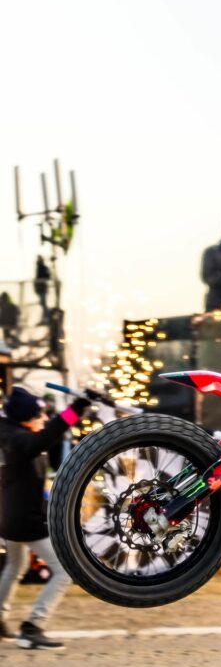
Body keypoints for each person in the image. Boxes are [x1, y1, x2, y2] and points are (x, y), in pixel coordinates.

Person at [0, 386, 91, 647]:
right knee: (64, 570)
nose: (44, 418)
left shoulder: (15, 433)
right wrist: (75, 409)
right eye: (39, 415)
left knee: (15, 566)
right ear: (24, 418)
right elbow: (46, 436)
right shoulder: (18, 441)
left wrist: (78, 411)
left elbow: (48, 435)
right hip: (24, 519)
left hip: (12, 516)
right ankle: (33, 627)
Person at [33, 256, 51, 324]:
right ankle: (45, 317)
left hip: (42, 288)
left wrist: (40, 280)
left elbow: (48, 276)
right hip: (40, 288)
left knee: (43, 303)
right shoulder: (39, 267)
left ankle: (47, 317)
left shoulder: (43, 268)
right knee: (42, 303)